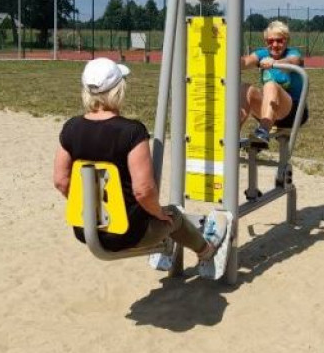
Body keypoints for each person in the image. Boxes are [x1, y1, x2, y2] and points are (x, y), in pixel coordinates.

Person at [53, 57, 225, 263]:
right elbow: (143, 190)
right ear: (119, 89)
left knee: (157, 215)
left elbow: (61, 181)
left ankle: (167, 244)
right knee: (174, 216)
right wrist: (159, 213)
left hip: (86, 228)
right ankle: (206, 249)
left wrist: (89, 209)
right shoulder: (131, 132)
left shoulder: (71, 128)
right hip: (127, 232)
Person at [240, 20, 309, 145]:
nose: (275, 45)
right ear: (265, 42)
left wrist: (275, 63)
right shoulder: (263, 54)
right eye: (270, 41)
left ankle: (263, 132)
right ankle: (231, 134)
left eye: (279, 40)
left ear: (286, 40)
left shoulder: (293, 53)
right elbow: (246, 61)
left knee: (271, 85)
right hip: (269, 111)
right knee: (245, 89)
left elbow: (292, 61)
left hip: (293, 113)